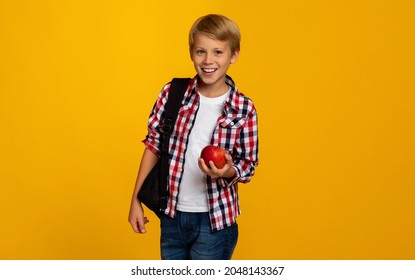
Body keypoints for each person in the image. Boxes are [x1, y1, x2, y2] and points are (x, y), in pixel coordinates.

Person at [128, 14, 259, 260]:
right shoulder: (173, 93)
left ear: (234, 55)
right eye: (201, 51)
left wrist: (227, 171)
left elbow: (248, 165)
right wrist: (135, 200)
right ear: (191, 53)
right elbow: (153, 145)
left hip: (215, 221)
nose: (208, 60)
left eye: (218, 52)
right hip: (172, 216)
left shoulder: (244, 108)